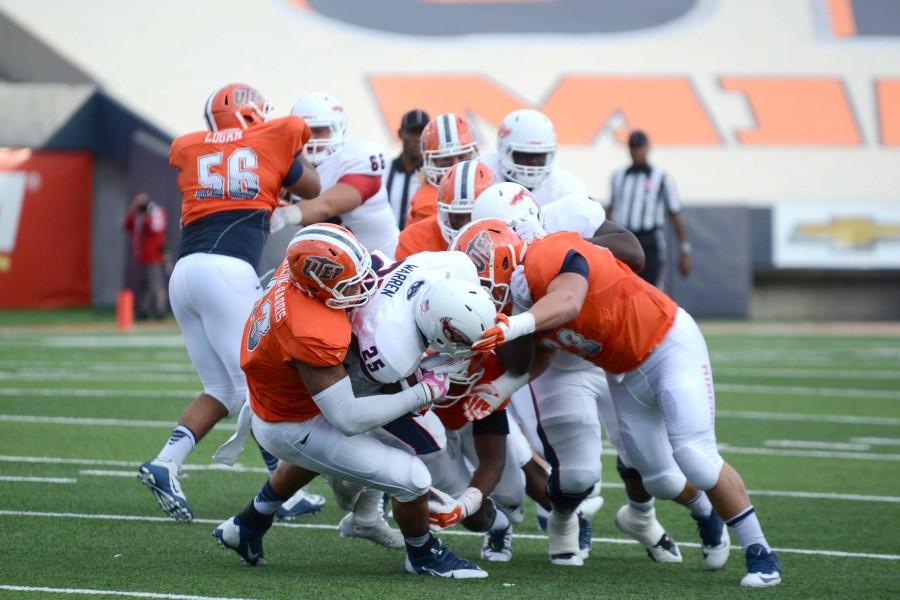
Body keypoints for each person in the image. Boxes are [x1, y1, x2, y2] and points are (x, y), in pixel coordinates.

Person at [457, 219, 782, 588]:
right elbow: (545, 353)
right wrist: (501, 387)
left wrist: (516, 323)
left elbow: (568, 300)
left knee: (696, 456)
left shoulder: (547, 253)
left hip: (670, 346)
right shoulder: (524, 297)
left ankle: (762, 554)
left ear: (501, 260)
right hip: (625, 374)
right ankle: (706, 513)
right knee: (658, 478)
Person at [213, 224, 486, 579]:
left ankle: (247, 525)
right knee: (413, 479)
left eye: (360, 276)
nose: (363, 288)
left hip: (278, 397)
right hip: (291, 424)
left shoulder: (302, 270)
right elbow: (348, 418)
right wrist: (423, 391)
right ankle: (422, 555)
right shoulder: (313, 328)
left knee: (331, 454)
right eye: (350, 286)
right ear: (317, 287)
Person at [137, 83, 321, 522]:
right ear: (253, 112)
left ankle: (165, 462)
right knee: (260, 384)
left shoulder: (191, 146)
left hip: (183, 276)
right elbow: (312, 186)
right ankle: (284, 492)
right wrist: (285, 175)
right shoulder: (275, 136)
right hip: (227, 272)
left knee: (221, 389)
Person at [275, 93, 399, 257]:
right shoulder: (289, 161)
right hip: (329, 269)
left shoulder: (357, 156)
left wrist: (284, 216)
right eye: (303, 131)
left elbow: (327, 205)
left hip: (383, 268)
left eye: (318, 131)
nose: (310, 138)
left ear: (339, 129)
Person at [609, 130, 691, 289]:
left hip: (650, 241)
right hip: (625, 238)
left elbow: (675, 214)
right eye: (633, 147)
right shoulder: (618, 176)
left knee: (653, 290)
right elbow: (612, 209)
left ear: (647, 148)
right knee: (624, 288)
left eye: (639, 147)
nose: (636, 151)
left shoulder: (661, 177)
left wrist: (685, 249)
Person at [480, 109, 586, 207]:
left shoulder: (566, 190)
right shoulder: (480, 174)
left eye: (540, 156)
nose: (533, 162)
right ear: (503, 150)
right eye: (524, 155)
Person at [395, 159, 494, 259]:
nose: (467, 227)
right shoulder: (415, 239)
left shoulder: (507, 234)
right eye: (459, 217)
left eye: (475, 218)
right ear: (443, 214)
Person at [405, 113, 479, 226]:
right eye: (446, 160)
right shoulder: (427, 204)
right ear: (432, 163)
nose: (456, 166)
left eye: (463, 156)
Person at [123, 193, 168, 320]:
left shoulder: (156, 212)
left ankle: (160, 310)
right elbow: (126, 225)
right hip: (141, 256)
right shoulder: (137, 215)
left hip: (154, 256)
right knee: (143, 286)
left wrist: (146, 216)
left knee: (156, 284)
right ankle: (144, 311)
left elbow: (155, 228)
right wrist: (133, 209)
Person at [383, 109, 430, 229]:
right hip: (386, 246)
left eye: (423, 133)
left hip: (421, 245)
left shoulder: (434, 175)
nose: (418, 138)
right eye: (413, 132)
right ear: (400, 133)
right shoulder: (383, 171)